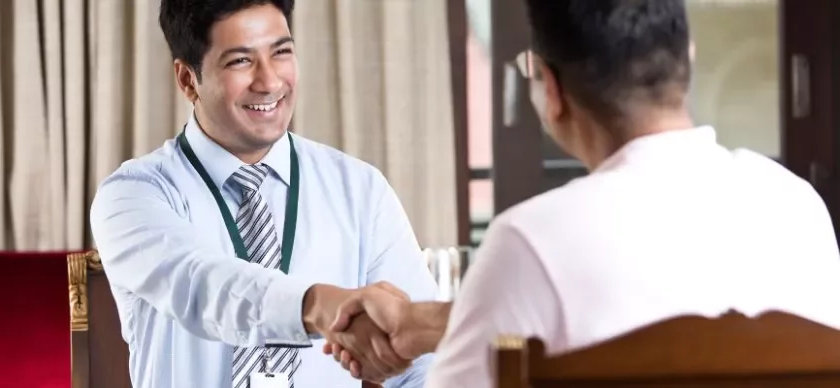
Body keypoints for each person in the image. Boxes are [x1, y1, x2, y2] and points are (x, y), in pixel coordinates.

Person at [323, 0, 840, 387]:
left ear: (549, 90)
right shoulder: (796, 207)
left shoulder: (531, 241)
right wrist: (428, 322)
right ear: (688, 58)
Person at [88, 0, 438, 387]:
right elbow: (204, 286)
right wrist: (321, 307)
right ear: (188, 80)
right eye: (240, 61)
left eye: (282, 52)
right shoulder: (134, 196)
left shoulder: (360, 190)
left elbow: (423, 366)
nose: (270, 81)